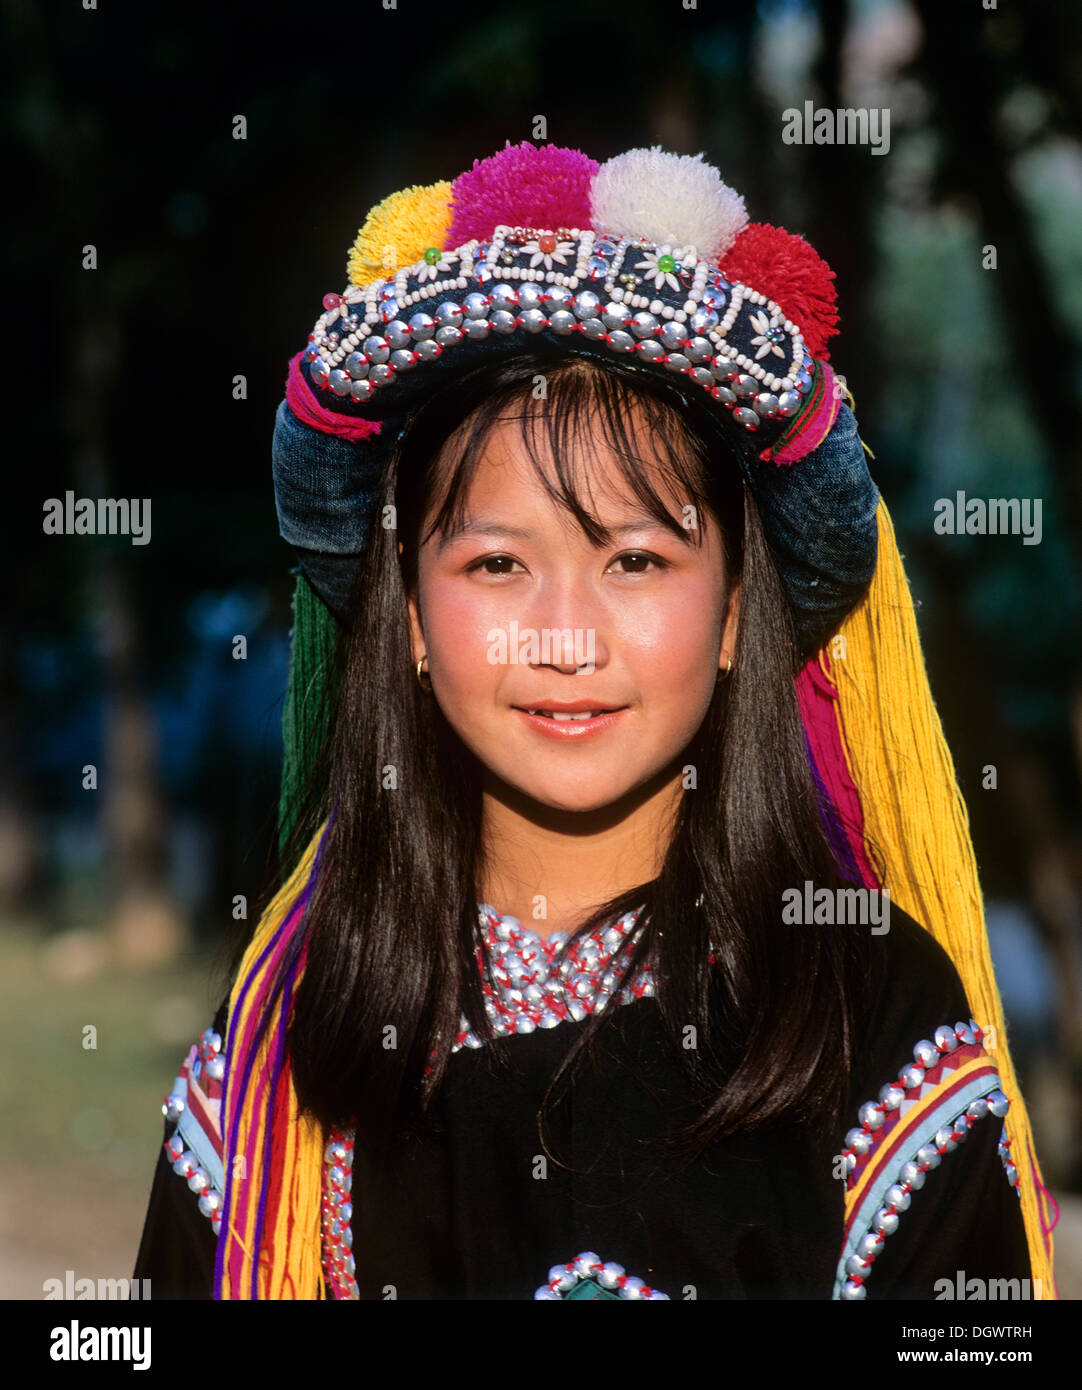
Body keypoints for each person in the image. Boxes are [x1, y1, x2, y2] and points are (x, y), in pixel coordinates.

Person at [134, 142, 1057, 1300]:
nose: (564, 638)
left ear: (732, 611)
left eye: (632, 558)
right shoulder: (293, 1039)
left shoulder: (865, 1016)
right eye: (497, 562)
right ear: (409, 615)